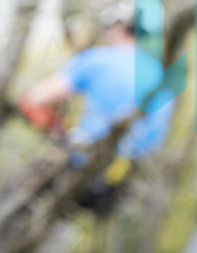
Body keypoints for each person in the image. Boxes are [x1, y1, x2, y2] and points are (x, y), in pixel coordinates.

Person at [18, 13, 174, 212]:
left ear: (118, 27)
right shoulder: (157, 72)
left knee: (16, 198)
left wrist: (59, 132)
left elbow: (33, 98)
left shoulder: (97, 59)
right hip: (122, 183)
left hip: (84, 170)